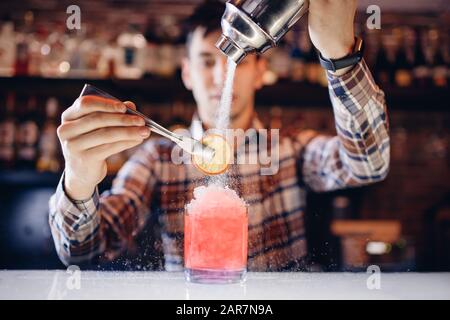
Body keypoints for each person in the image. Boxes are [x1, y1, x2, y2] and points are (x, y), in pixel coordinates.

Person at [50, 0, 390, 271]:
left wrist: (340, 56)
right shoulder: (157, 159)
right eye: (206, 62)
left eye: (236, 62)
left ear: (261, 72)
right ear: (187, 73)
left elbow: (368, 164)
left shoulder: (288, 148)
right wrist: (79, 181)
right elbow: (86, 254)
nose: (220, 76)